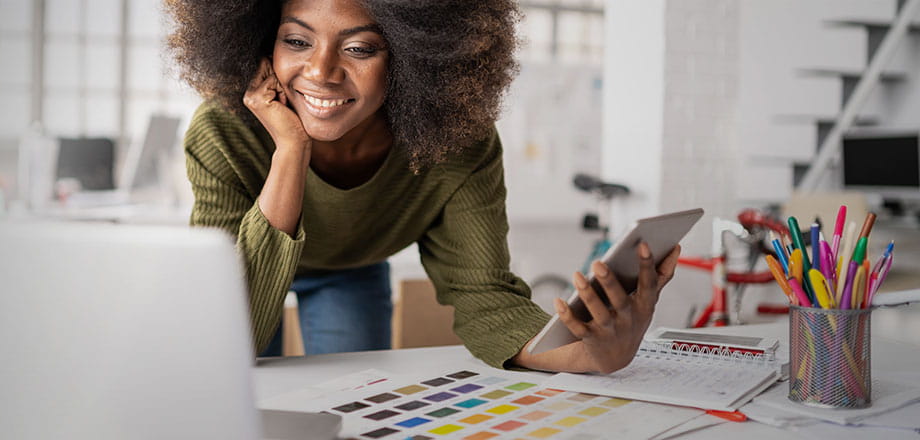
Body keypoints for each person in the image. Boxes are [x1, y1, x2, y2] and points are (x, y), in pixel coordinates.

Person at [167, 0, 681, 373]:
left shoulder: (454, 144)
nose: (321, 71)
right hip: (244, 270)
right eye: (297, 41)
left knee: (351, 407)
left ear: (411, 58)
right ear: (261, 41)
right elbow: (231, 332)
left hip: (352, 270)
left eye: (360, 47)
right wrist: (291, 151)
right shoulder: (224, 130)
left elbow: (484, 296)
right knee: (238, 393)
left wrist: (588, 355)